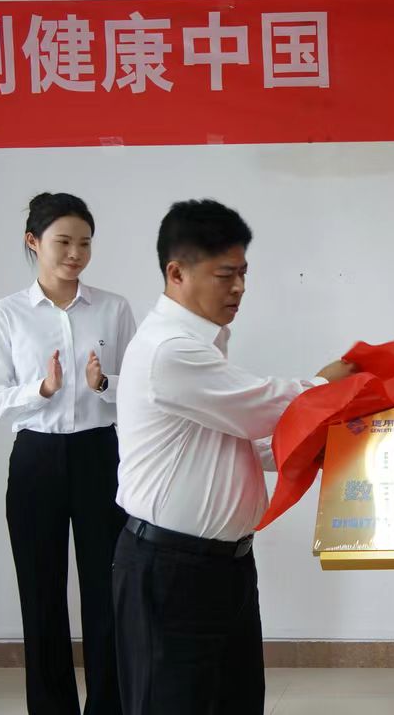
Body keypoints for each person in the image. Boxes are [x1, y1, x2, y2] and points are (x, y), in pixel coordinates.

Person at [112, 199, 354, 715]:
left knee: (236, 702)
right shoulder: (169, 350)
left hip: (226, 567)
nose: (240, 287)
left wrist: (327, 444)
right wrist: (331, 382)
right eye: (226, 275)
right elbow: (268, 406)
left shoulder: (204, 345)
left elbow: (243, 441)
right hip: (171, 569)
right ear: (177, 273)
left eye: (244, 273)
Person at [0, 192, 135, 715]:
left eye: (85, 243)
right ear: (33, 242)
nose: (75, 253)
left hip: (100, 457)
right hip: (36, 460)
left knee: (107, 591)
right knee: (41, 593)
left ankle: (109, 707)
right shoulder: (7, 313)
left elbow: (140, 391)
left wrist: (103, 384)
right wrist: (41, 390)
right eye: (63, 242)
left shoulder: (114, 308)